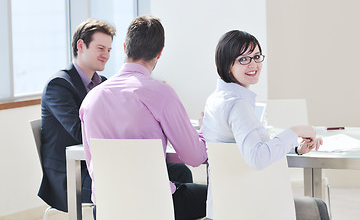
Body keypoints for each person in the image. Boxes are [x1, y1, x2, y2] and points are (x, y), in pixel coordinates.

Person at [80, 15, 208, 220]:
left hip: (106, 208)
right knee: (213, 198)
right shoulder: (161, 93)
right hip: (155, 206)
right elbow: (195, 157)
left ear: (124, 47)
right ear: (160, 52)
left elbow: (91, 161)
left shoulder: (91, 99)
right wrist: (204, 132)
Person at [202, 30, 329, 220]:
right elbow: (258, 158)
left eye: (256, 56)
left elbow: (246, 149)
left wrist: (296, 147)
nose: (253, 64)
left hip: (224, 206)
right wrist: (295, 131)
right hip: (255, 205)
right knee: (317, 207)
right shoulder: (238, 105)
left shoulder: (215, 99)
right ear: (228, 65)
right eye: (243, 59)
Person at [39, 19, 116, 211]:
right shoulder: (58, 85)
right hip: (71, 175)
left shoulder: (102, 84)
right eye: (101, 48)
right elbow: (79, 131)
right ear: (81, 45)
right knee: (127, 183)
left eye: (109, 50)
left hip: (99, 164)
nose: (106, 55)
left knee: (166, 174)